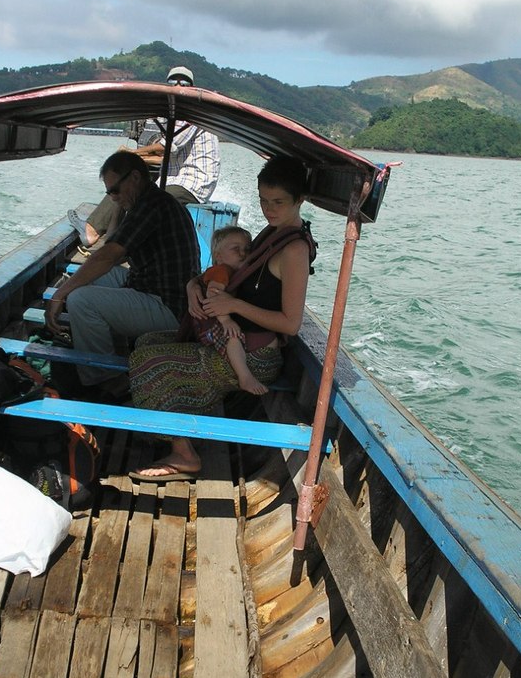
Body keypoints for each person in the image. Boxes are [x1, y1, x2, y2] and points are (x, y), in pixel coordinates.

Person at [126, 156, 317, 479]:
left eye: (279, 202)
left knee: (149, 362)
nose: (270, 209)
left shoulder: (294, 250)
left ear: (300, 200)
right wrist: (192, 287)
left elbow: (290, 323)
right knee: (148, 341)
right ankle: (174, 416)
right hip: (233, 338)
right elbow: (229, 275)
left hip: (255, 356)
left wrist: (233, 307)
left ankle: (184, 454)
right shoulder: (271, 233)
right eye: (263, 200)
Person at [46, 151, 200, 396]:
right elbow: (112, 243)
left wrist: (60, 295)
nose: (113, 197)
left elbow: (109, 256)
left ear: (135, 177)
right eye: (109, 193)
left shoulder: (152, 205)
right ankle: (113, 353)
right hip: (151, 285)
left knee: (79, 299)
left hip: (170, 307)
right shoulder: (146, 203)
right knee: (87, 278)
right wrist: (119, 206)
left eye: (115, 190)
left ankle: (108, 379)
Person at [67, 65, 220, 245]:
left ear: (192, 87)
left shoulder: (192, 113)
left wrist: (131, 153)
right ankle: (102, 231)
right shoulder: (175, 115)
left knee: (145, 197)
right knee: (127, 182)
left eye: (184, 83)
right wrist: (135, 159)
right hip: (176, 178)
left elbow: (166, 147)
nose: (179, 86)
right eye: (173, 82)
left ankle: (111, 239)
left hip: (192, 183)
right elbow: (167, 156)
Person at [185, 224, 269, 396]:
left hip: (207, 322)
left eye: (246, 248)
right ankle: (244, 376)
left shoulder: (229, 271)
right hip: (212, 321)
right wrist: (226, 320)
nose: (242, 253)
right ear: (218, 256)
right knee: (233, 338)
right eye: (235, 249)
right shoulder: (222, 270)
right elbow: (213, 294)